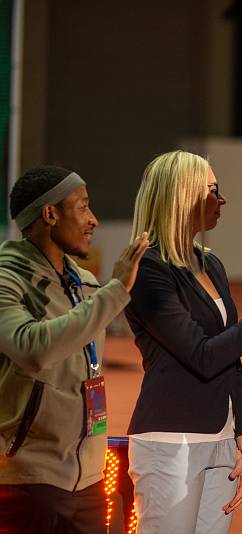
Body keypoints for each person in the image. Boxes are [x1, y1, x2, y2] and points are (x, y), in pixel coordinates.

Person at [124, 150, 242, 534]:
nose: (220, 200)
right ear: (180, 197)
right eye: (211, 190)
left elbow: (231, 356)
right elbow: (204, 355)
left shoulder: (210, 262)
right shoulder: (147, 269)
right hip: (172, 442)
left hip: (222, 439)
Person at [0, 165, 148, 534]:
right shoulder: (6, 278)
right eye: (82, 207)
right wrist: (115, 290)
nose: (93, 219)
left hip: (89, 482)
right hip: (27, 479)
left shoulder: (83, 282)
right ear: (50, 214)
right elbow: (31, 348)